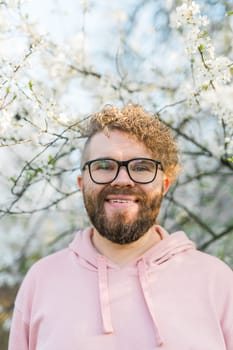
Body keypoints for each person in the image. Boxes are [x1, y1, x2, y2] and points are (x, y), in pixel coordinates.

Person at [8, 104, 233, 350]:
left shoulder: (217, 281)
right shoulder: (42, 281)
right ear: (82, 184)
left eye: (141, 168)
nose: (123, 180)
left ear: (164, 185)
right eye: (104, 166)